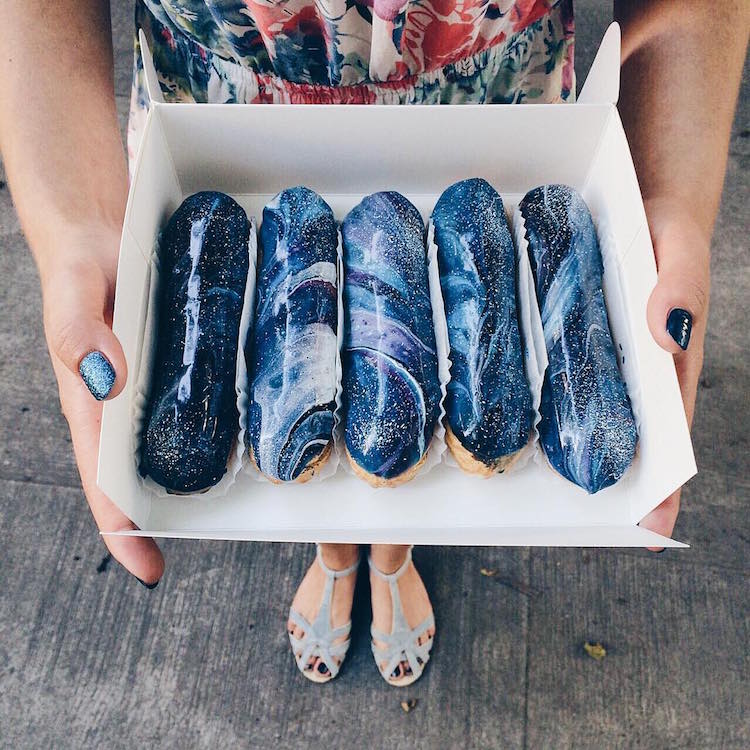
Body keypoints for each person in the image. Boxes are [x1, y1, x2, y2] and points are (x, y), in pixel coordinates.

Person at [0, 0, 745, 686]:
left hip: (494, 95)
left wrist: (667, 191)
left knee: (392, 448)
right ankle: (335, 555)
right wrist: (76, 217)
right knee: (313, 416)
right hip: (219, 94)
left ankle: (389, 559)